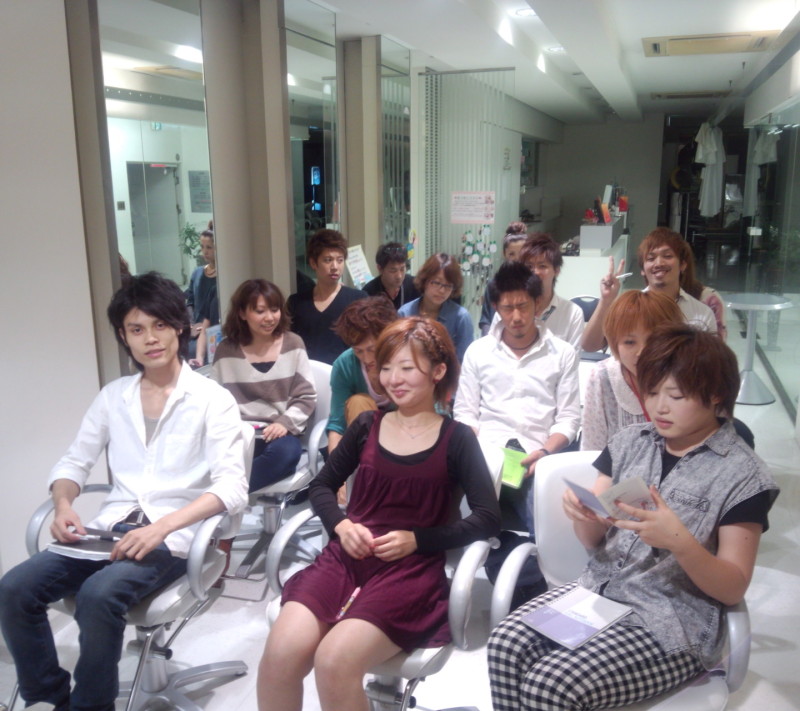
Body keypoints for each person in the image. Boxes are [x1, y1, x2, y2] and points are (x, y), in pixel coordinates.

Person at [487, 324, 779, 711]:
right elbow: (592, 540)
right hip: (598, 594)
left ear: (715, 396)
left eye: (676, 395)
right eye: (652, 392)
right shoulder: (630, 442)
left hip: (671, 624)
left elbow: (732, 589)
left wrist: (680, 542)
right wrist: (585, 514)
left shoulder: (743, 476)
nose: (659, 407)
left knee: (550, 684)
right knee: (504, 645)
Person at [0, 272, 249, 711]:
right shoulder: (113, 397)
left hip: (172, 538)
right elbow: (74, 463)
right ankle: (51, 697)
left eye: (159, 325)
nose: (150, 339)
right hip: (107, 530)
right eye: (136, 329)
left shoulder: (212, 399)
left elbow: (230, 487)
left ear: (179, 326)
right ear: (123, 336)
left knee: (98, 597)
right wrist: (63, 504)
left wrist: (161, 527)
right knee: (14, 588)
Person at [257, 317, 501, 711]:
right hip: (345, 559)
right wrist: (341, 524)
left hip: (410, 572)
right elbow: (320, 486)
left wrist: (418, 539)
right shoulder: (368, 425)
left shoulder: (456, 439)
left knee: (334, 662)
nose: (393, 379)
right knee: (279, 656)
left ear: (438, 371)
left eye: (407, 367)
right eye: (386, 368)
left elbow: (488, 517)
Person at [454, 261, 580, 536]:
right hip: (486, 456)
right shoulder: (478, 352)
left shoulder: (562, 353)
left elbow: (569, 419)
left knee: (548, 529)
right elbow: (465, 413)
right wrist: (473, 454)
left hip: (538, 456)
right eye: (507, 308)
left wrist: (545, 452)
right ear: (495, 308)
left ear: (538, 304)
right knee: (457, 519)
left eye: (523, 306)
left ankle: (541, 560)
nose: (516, 317)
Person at [212, 279, 317, 492]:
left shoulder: (293, 344)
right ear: (242, 313)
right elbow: (214, 400)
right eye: (260, 311)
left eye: (275, 310)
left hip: (279, 433)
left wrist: (284, 423)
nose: (269, 318)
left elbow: (306, 396)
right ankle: (223, 494)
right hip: (238, 434)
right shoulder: (226, 350)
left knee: (286, 454)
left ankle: (224, 495)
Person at [582, 227, 718, 352]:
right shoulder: (628, 308)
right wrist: (606, 300)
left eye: (667, 256)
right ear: (642, 270)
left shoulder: (702, 313)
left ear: (682, 265)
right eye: (651, 258)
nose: (658, 263)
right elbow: (590, 346)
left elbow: (711, 361)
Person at [581, 290, 684, 451]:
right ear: (615, 343)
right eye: (629, 342)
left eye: (653, 340)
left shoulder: (687, 374)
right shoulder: (603, 376)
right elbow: (592, 449)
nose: (641, 352)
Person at [327, 296, 399, 454]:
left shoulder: (405, 358)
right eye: (358, 351)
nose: (366, 359)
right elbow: (337, 424)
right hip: (364, 442)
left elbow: (432, 410)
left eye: (372, 349)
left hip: (405, 432)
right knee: (358, 402)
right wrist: (334, 465)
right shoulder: (345, 364)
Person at [287, 229, 367, 365]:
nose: (335, 266)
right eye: (328, 260)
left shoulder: (358, 300)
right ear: (313, 263)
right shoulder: (297, 302)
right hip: (306, 373)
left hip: (344, 374)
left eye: (340, 260)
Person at [398, 253, 474, 361]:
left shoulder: (461, 317)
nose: (442, 290)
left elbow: (465, 361)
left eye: (448, 285)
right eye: (437, 283)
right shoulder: (404, 313)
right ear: (425, 280)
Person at [517, 234, 585, 351]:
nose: (535, 272)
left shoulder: (572, 314)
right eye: (529, 266)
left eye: (542, 266)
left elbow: (573, 358)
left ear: (556, 270)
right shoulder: (508, 311)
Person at [479, 222, 528, 335]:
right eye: (512, 254)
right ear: (504, 254)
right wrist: (487, 341)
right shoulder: (494, 284)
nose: (517, 259)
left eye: (522, 254)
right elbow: (486, 320)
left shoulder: (534, 283)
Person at [186, 221, 220, 363]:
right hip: (196, 328)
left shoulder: (223, 277)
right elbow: (190, 301)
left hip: (213, 328)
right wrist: (191, 324)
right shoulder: (197, 273)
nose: (205, 251)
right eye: (202, 247)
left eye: (209, 247)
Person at [362, 241, 420, 310]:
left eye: (402, 269)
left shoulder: (415, 285)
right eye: (393, 270)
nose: (399, 276)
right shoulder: (369, 292)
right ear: (380, 269)